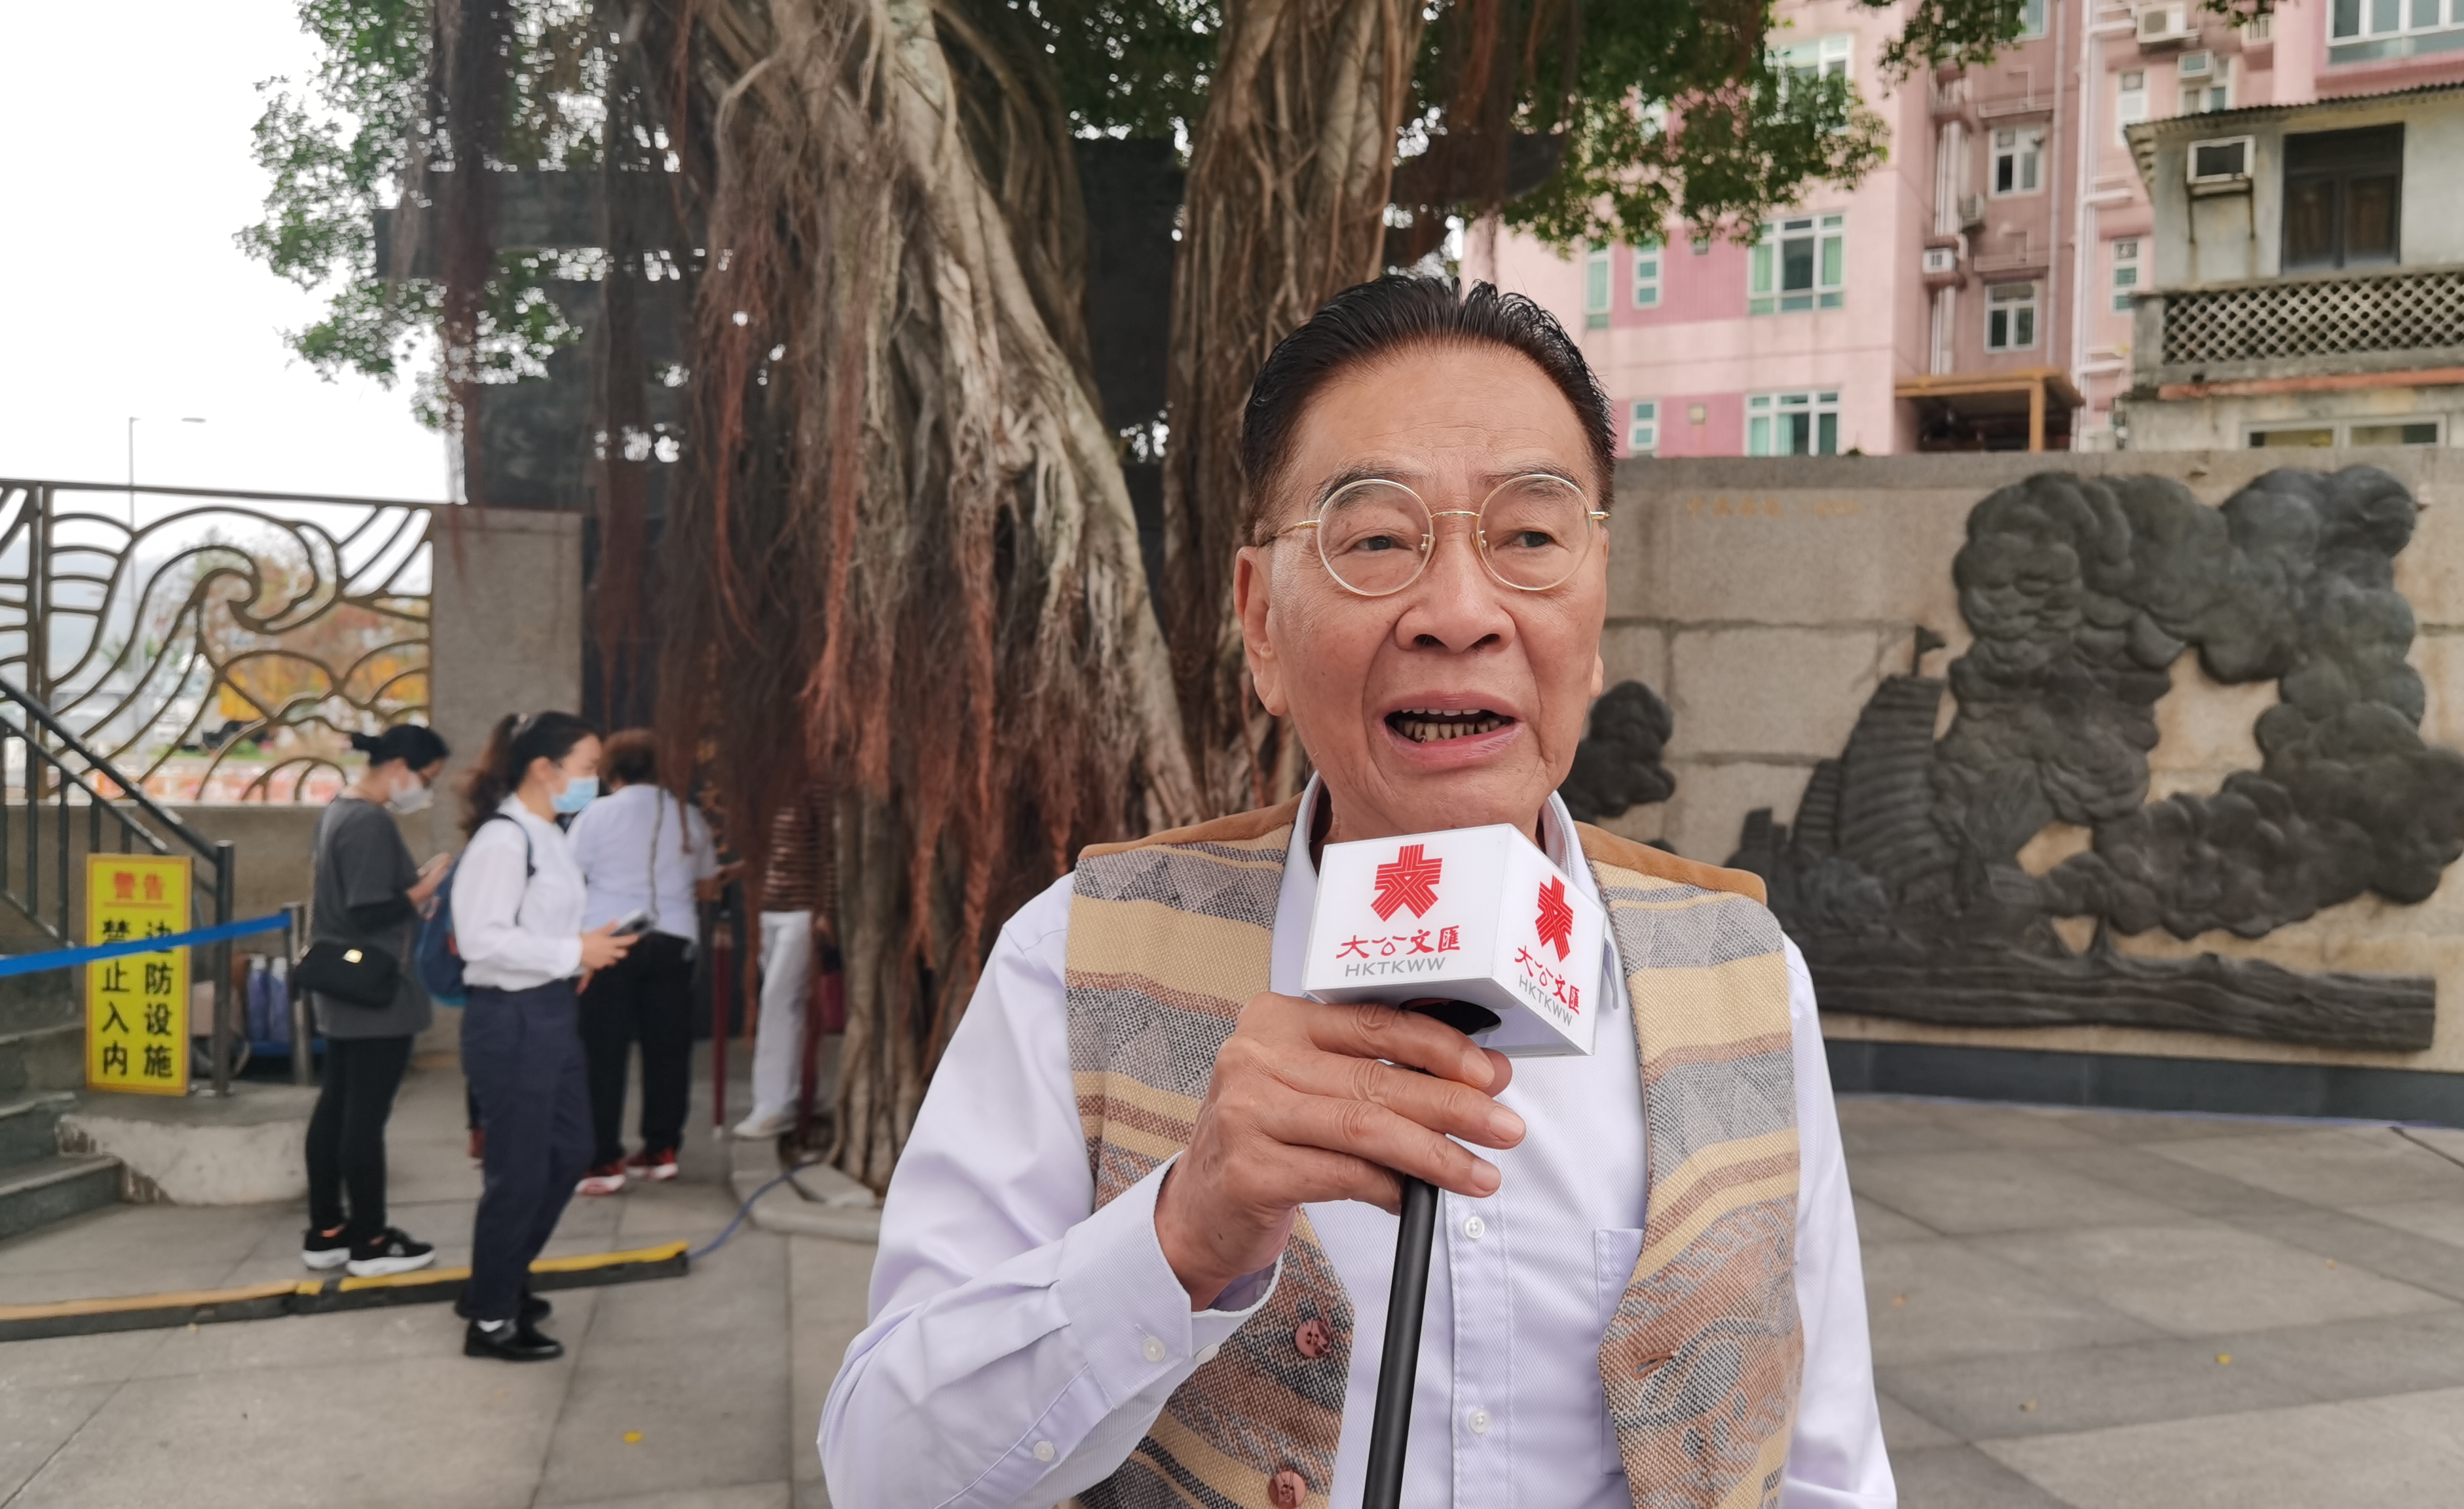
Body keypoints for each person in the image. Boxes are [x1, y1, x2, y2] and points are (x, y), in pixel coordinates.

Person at [819, 278, 1890, 1508]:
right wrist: (1180, 1234)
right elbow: (882, 1471)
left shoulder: (1745, 974)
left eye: (1530, 537)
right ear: (1260, 624)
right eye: (1375, 539)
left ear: (1596, 614)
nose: (1460, 614)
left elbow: (1826, 1470)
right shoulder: (1079, 957)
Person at [451, 710, 635, 1361]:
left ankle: (498, 1279)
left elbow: (539, 929)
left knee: (570, 1149)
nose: (594, 780)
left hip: (549, 1010)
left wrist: (579, 952)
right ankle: (491, 1317)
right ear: (543, 768)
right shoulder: (504, 841)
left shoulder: (549, 834)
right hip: (512, 1019)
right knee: (521, 1171)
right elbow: (481, 939)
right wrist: (571, 952)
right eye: (587, 768)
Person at [299, 723, 452, 1278]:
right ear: (400, 767)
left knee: (337, 1109)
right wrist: (426, 887)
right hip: (375, 990)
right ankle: (371, 1239)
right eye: (427, 778)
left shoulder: (340, 811)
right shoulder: (368, 821)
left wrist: (412, 887)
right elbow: (369, 910)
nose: (425, 790)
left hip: (345, 986)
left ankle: (327, 1230)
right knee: (363, 1119)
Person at [569, 729, 720, 1193]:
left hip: (609, 941)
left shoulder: (596, 815)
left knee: (602, 1052)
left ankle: (603, 1160)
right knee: (668, 1048)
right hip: (674, 939)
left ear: (610, 770)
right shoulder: (689, 816)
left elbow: (569, 879)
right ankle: (661, 1149)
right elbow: (707, 886)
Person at [735, 780, 836, 1140]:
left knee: (777, 1002)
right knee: (787, 1006)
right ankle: (802, 1091)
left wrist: (827, 910)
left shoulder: (815, 789)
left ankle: (772, 1104)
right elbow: (770, 852)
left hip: (802, 911)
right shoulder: (764, 789)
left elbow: (830, 854)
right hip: (767, 908)